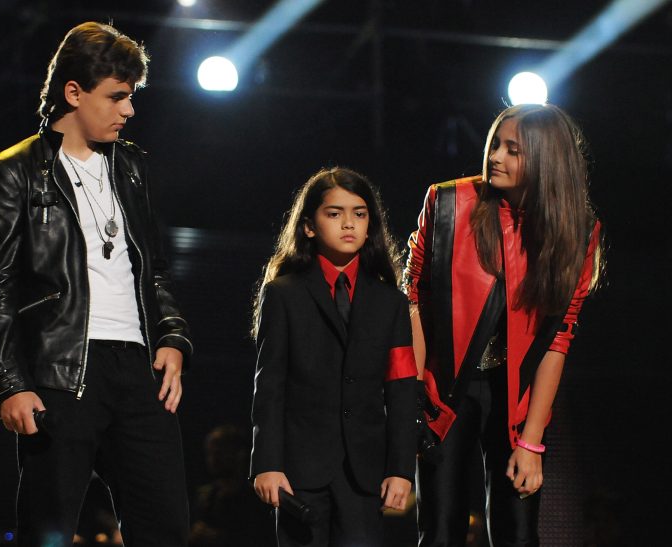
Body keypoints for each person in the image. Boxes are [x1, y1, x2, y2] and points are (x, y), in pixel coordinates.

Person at [0, 21, 193, 546]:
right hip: (61, 370)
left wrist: (173, 339)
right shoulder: (12, 172)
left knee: (165, 527)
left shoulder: (133, 168)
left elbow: (153, 267)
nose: (129, 110)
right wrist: (11, 385)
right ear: (74, 92)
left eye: (131, 97)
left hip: (138, 370)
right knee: (48, 528)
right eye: (116, 96)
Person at [403, 103, 604, 546]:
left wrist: (531, 442)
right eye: (496, 144)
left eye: (513, 149)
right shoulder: (449, 200)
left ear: (545, 159)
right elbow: (413, 294)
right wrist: (413, 387)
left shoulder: (578, 229)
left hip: (516, 395)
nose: (495, 156)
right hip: (444, 386)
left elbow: (559, 338)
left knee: (517, 532)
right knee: (439, 530)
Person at [250, 167, 421, 547]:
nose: (349, 223)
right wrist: (267, 463)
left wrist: (401, 469)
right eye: (334, 213)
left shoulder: (390, 301)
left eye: (359, 214)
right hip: (298, 469)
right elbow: (270, 384)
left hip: (365, 472)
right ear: (309, 226)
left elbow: (401, 388)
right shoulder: (284, 294)